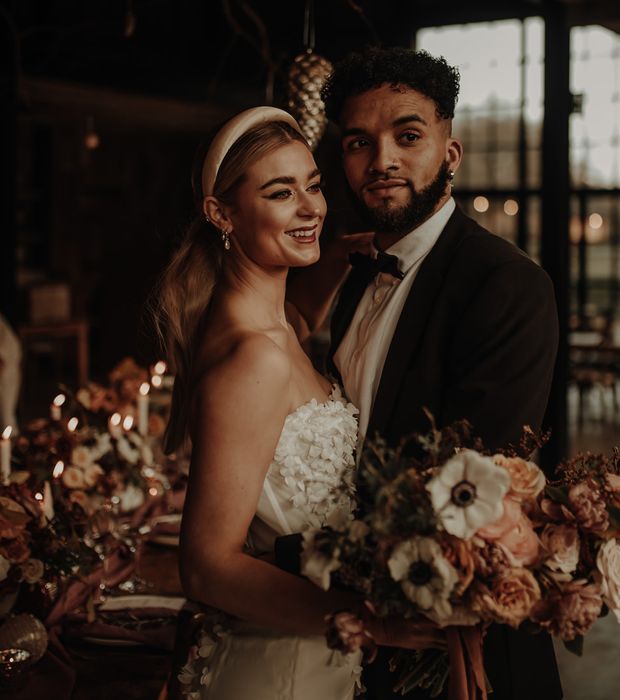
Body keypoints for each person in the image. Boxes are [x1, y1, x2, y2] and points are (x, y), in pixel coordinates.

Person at [287, 47, 562, 699]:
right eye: (359, 142)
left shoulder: (507, 285)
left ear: (450, 152)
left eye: (407, 136)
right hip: (369, 640)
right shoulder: (356, 281)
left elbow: (478, 483)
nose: (381, 161)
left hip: (465, 648)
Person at [153, 106, 443, 700]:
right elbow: (205, 566)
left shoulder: (272, 323)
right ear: (221, 213)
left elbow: (298, 320)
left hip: (314, 657)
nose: (313, 207)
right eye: (282, 193)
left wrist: (337, 255)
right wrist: (369, 620)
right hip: (279, 670)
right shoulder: (252, 358)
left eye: (313, 184)